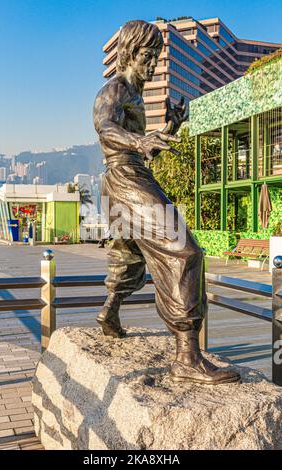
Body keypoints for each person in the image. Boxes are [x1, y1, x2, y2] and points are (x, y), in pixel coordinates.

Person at [93, 20, 240, 385]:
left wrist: (170, 128)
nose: (153, 64)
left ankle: (109, 312)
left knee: (128, 255)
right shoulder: (116, 88)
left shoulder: (136, 96)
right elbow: (104, 127)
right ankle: (187, 357)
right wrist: (140, 142)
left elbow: (142, 150)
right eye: (147, 56)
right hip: (125, 179)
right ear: (129, 53)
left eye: (156, 57)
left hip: (122, 179)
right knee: (185, 251)